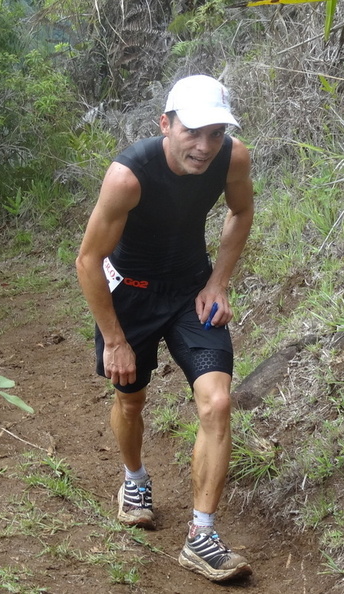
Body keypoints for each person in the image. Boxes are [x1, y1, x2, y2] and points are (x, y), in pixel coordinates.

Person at [76, 75, 255, 582]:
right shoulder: (129, 176)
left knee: (217, 402)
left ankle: (202, 535)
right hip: (130, 296)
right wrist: (114, 339)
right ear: (165, 124)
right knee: (131, 400)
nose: (205, 146)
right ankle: (134, 479)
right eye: (192, 131)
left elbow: (241, 211)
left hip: (192, 290)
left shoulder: (232, 158)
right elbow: (88, 261)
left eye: (215, 133)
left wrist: (219, 282)